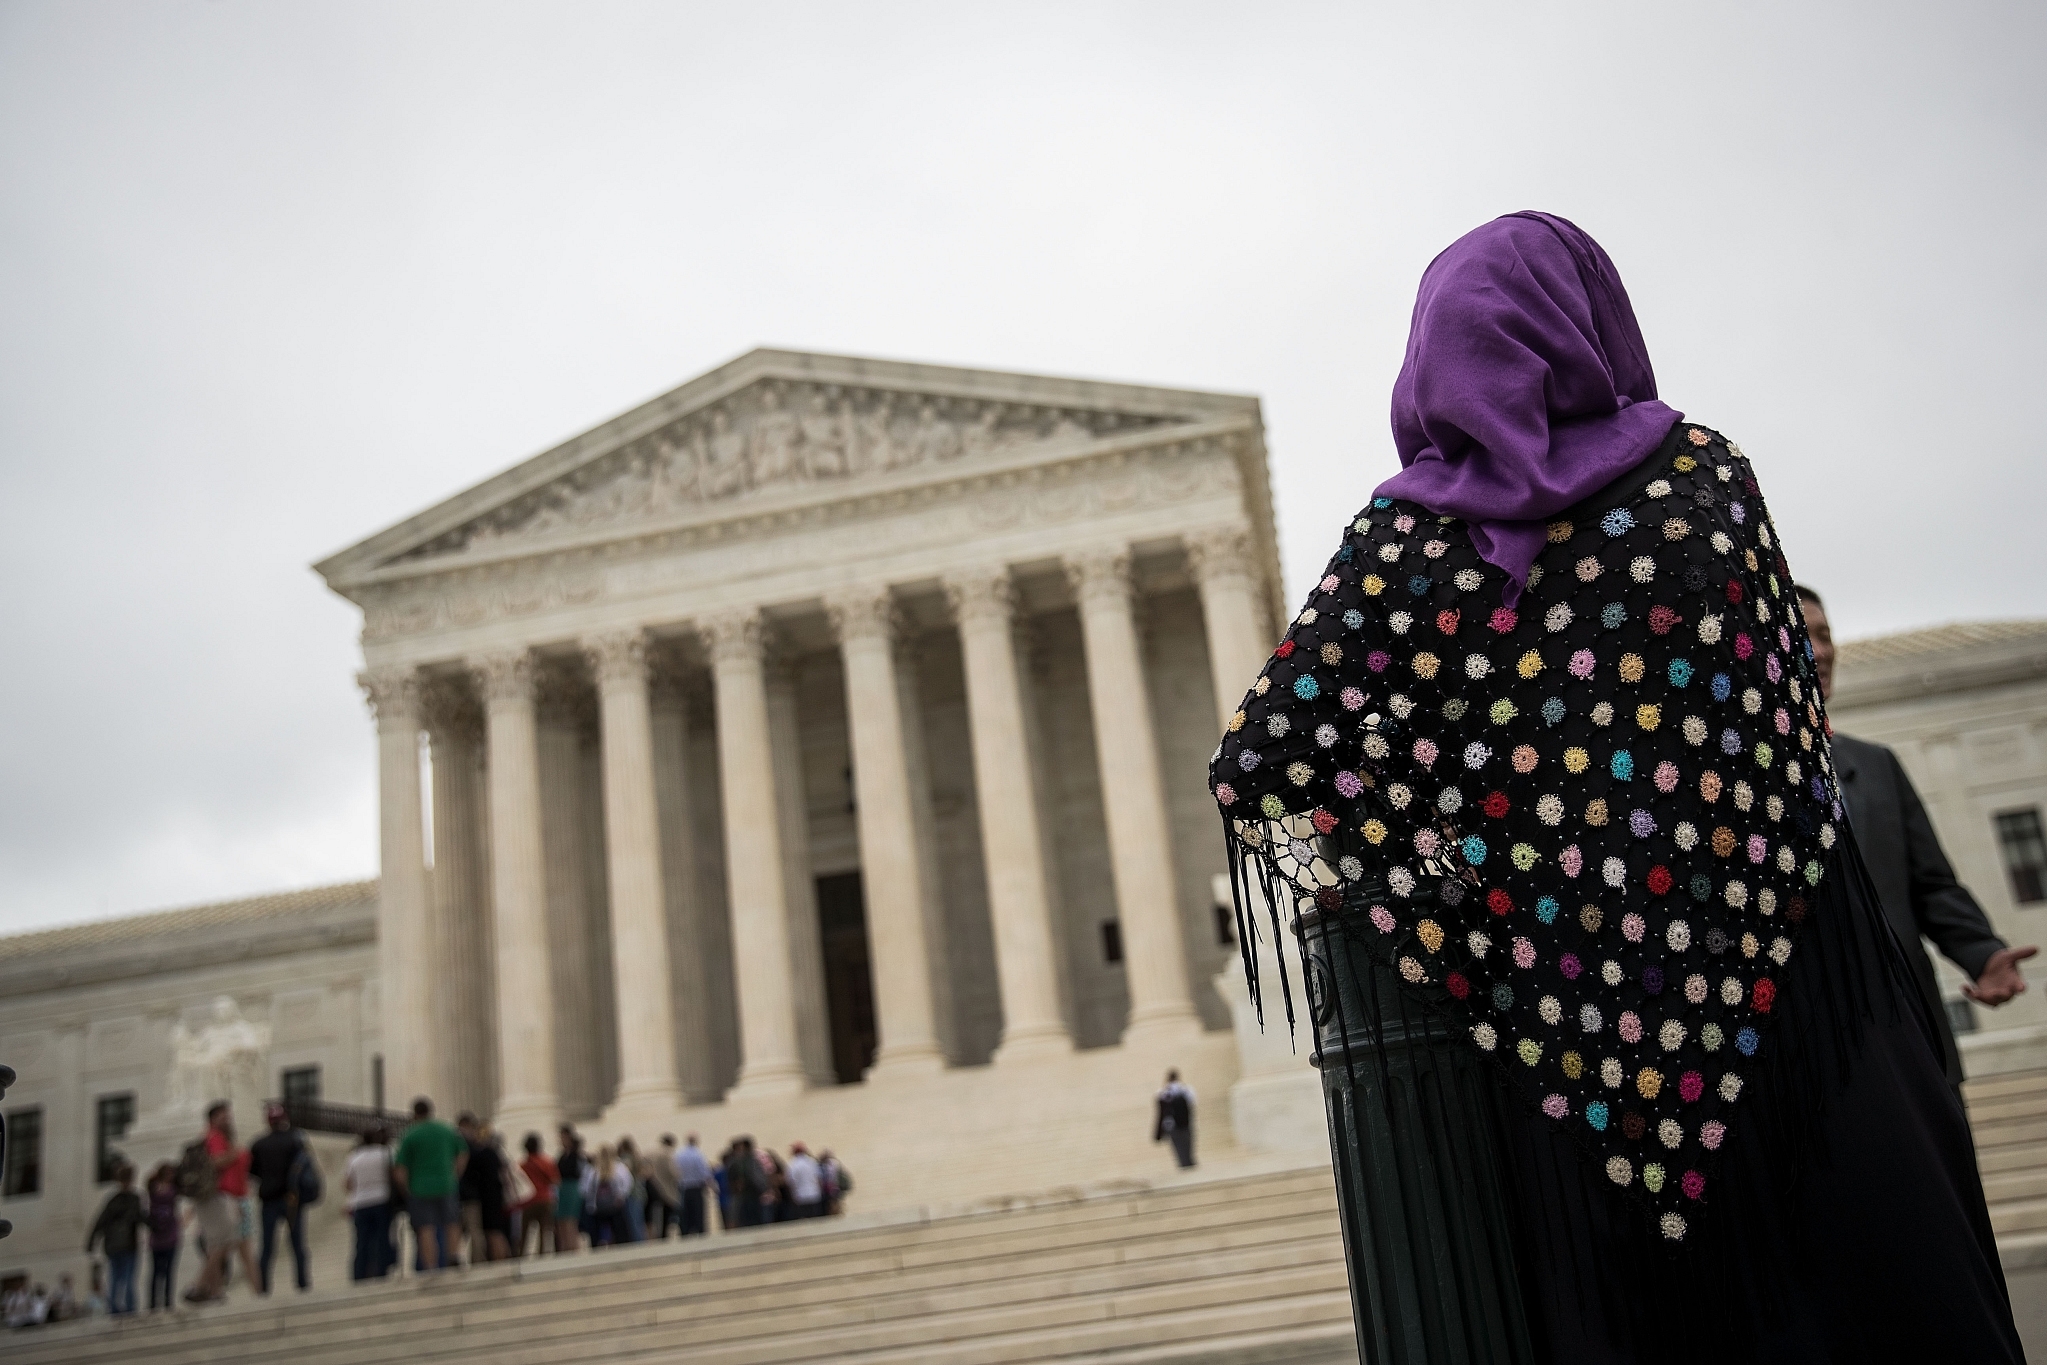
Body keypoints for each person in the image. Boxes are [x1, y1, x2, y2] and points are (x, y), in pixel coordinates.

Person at [1208, 211, 2022, 1361]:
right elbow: (1783, 739)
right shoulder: (1700, 474)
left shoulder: (1398, 539)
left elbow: (1263, 767)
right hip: (1794, 998)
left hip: (1567, 1042)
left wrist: (1446, 893)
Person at [1799, 585, 2038, 1094]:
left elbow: (1930, 885)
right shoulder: (1730, 780)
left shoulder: (1877, 765)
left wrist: (1982, 951)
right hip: (1815, 1068)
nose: (1821, 652)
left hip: (1916, 1049)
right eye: (1802, 636)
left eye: (1826, 636)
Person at [184, 1101, 258, 1303]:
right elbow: (217, 1161)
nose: (228, 1119)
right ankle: (198, 1285)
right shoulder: (214, 1138)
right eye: (223, 1116)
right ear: (213, 1119)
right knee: (224, 1243)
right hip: (224, 1198)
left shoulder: (221, 1138)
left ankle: (215, 1290)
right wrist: (235, 1154)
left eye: (228, 1115)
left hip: (231, 1198)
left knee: (227, 1245)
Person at [392, 1097, 467, 1272]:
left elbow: (400, 1169)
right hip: (446, 1183)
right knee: (452, 1222)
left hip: (420, 1188)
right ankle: (454, 1256)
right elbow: (463, 1153)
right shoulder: (446, 1130)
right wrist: (455, 1174)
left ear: (415, 1114)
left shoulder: (410, 1134)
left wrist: (406, 1188)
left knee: (426, 1228)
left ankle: (431, 1265)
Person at [248, 1102, 312, 1294]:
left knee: (267, 1247)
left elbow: (253, 1172)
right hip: (291, 1198)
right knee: (297, 1244)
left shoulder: (258, 1144)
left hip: (268, 1200)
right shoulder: (294, 1140)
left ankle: (264, 1287)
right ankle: (302, 1283)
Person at [84, 1160, 145, 1315]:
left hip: (112, 1245)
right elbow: (141, 1218)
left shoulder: (112, 1200)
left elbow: (100, 1222)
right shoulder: (133, 1199)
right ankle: (129, 1308)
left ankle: (114, 1308)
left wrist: (91, 1242)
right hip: (128, 1244)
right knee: (127, 1278)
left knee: (115, 1278)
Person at [455, 1113, 511, 1263]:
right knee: (490, 1231)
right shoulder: (490, 1152)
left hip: (483, 1196)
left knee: (488, 1232)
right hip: (489, 1196)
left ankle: (487, 1260)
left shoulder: (478, 1152)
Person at [344, 1124, 396, 1280]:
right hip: (381, 1199)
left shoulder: (354, 1157)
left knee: (362, 1241)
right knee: (382, 1237)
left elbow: (347, 1184)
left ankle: (359, 1273)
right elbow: (393, 1174)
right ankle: (381, 1271)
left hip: (361, 1202)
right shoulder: (384, 1153)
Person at [145, 1162, 182, 1310]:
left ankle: (167, 1300)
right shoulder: (153, 1189)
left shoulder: (172, 1189)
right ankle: (154, 1301)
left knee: (168, 1271)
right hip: (158, 1237)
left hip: (170, 1235)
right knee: (156, 1272)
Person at [516, 1133, 559, 1255]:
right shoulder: (547, 1162)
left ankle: (521, 1253)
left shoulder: (522, 1165)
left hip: (528, 1201)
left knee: (525, 1231)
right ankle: (543, 1254)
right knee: (544, 1231)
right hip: (545, 1199)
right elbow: (555, 1180)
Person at [584, 1144, 634, 1247]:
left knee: (596, 1234)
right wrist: (621, 1196)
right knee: (620, 1233)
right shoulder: (620, 1168)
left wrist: (591, 1203)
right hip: (616, 1205)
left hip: (598, 1207)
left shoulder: (593, 1170)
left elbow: (585, 1189)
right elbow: (628, 1183)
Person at [1153, 1071, 1196, 1168]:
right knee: (1188, 1142)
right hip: (1185, 1122)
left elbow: (1161, 1110)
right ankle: (1189, 1160)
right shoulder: (1185, 1089)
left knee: (1177, 1144)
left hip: (1171, 1124)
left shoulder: (1163, 1092)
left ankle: (1183, 1162)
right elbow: (1192, 1102)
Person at [642, 1135, 682, 1238]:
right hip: (666, 1189)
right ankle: (663, 1235)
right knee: (666, 1217)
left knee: (653, 1215)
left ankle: (654, 1235)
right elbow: (673, 1173)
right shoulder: (668, 1154)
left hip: (651, 1188)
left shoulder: (650, 1153)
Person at [553, 1127, 585, 1252]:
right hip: (562, 1189)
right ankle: (565, 1248)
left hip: (572, 1188)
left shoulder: (576, 1155)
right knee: (561, 1220)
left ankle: (573, 1247)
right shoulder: (562, 1156)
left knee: (570, 1221)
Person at [673, 1133, 712, 1236]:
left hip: (683, 1188)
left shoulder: (679, 1154)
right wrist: (709, 1185)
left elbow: (675, 1171)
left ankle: (685, 1232)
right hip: (696, 1188)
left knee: (685, 1214)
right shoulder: (697, 1154)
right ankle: (699, 1232)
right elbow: (704, 1172)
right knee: (698, 1213)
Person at [616, 1136, 648, 1243]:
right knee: (639, 1220)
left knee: (633, 1221)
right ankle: (641, 1241)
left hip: (631, 1193)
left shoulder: (626, 1158)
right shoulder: (636, 1158)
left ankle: (638, 1243)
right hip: (639, 1192)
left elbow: (624, 1172)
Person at [783, 1142, 825, 1218]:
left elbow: (790, 1182)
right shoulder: (812, 1162)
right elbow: (819, 1178)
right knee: (815, 1218)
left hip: (800, 1196)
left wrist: (792, 1195)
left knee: (804, 1219)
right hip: (814, 1194)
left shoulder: (792, 1164)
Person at [818, 1150, 850, 1216]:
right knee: (834, 1204)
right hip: (833, 1189)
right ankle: (837, 1213)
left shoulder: (828, 1165)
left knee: (833, 1204)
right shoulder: (834, 1164)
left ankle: (836, 1213)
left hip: (830, 1190)